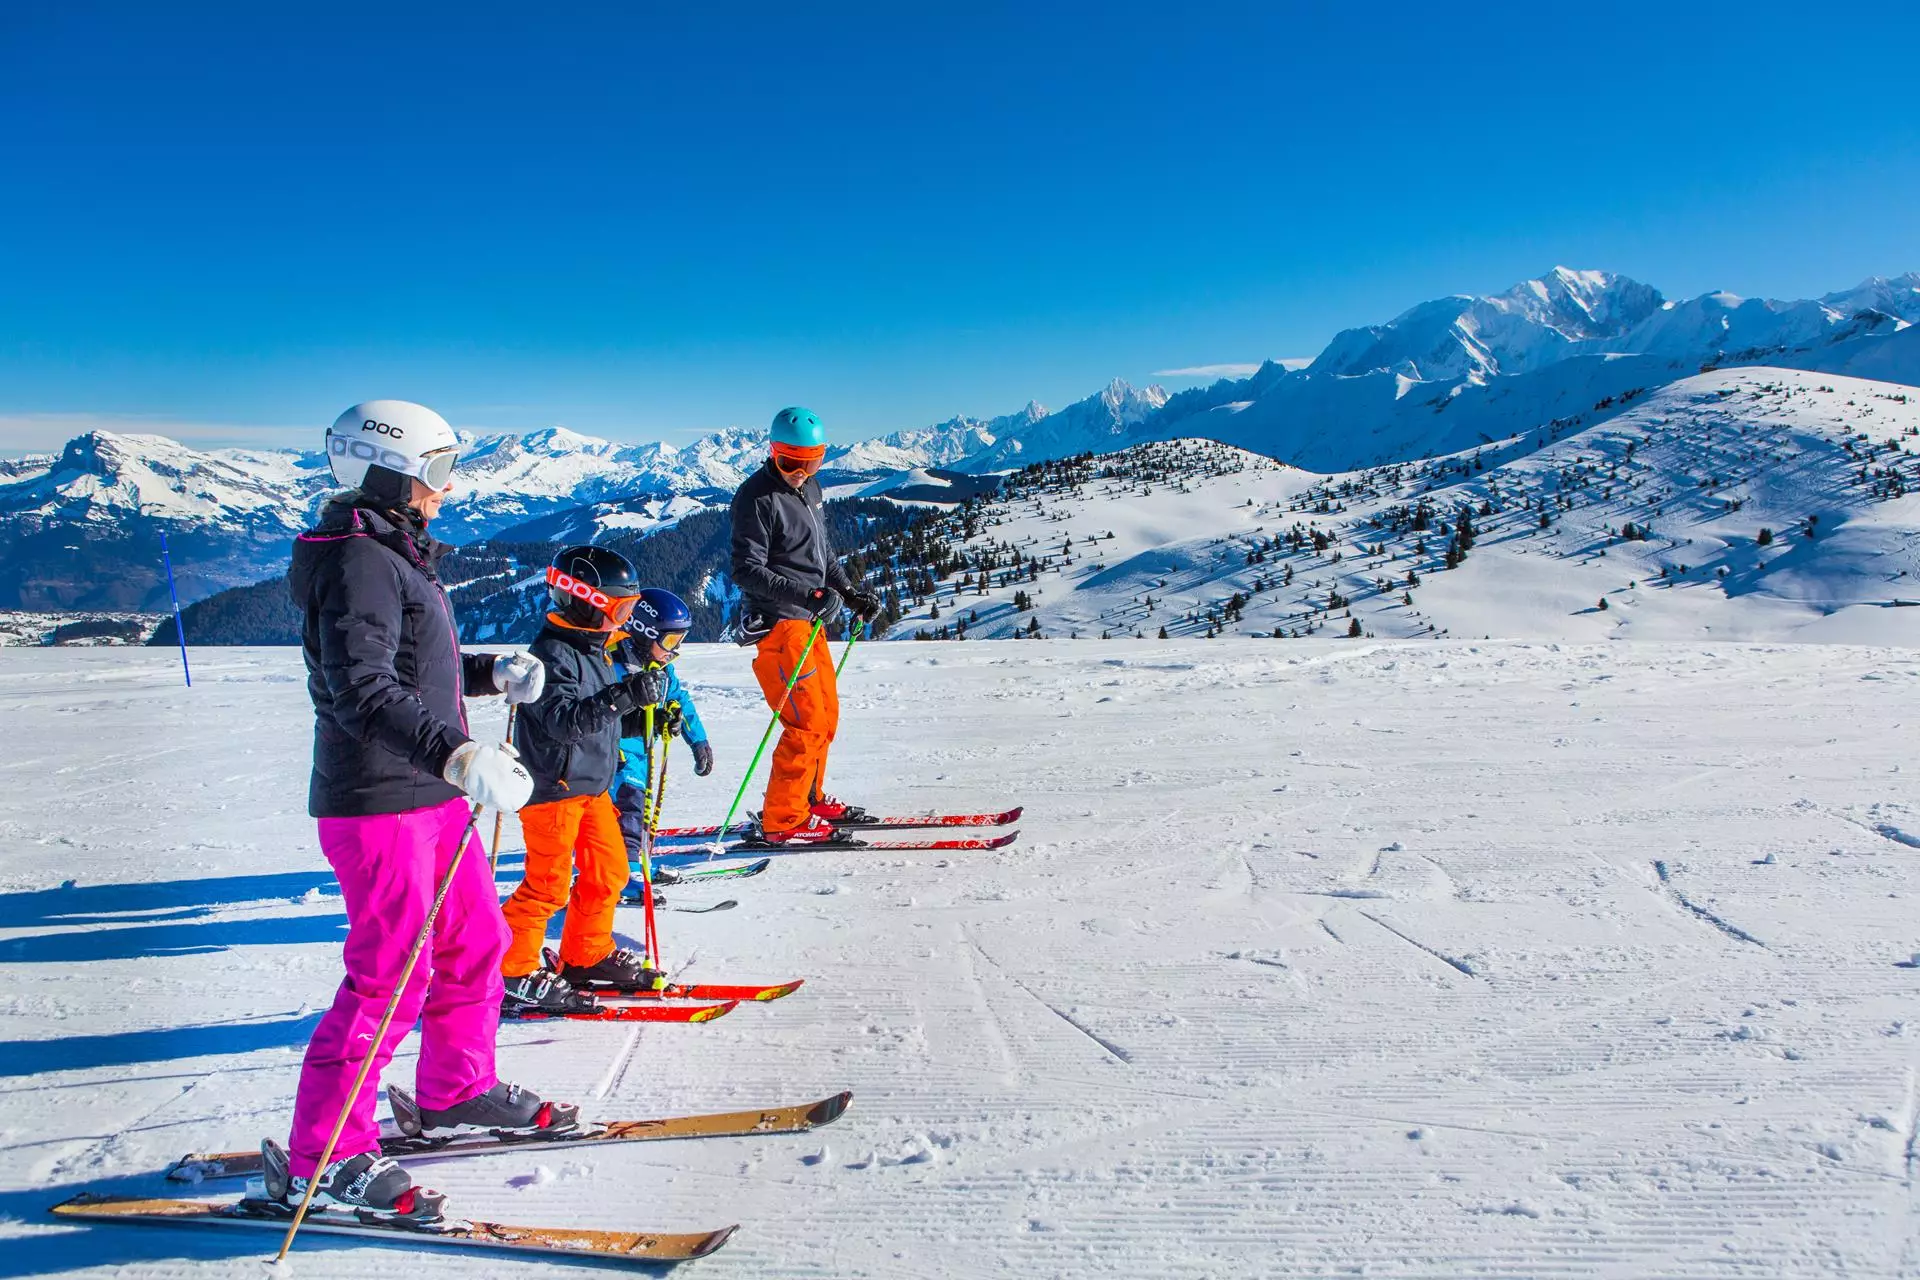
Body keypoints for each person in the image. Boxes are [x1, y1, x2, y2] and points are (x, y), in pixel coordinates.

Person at [278, 399, 576, 1224]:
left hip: (432, 791)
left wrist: (487, 674)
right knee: (392, 976)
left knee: (479, 940)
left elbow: (412, 666)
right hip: (379, 800)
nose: (447, 490)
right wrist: (457, 752)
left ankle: (455, 1089)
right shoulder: (358, 560)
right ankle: (324, 1160)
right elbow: (361, 688)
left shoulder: (390, 551)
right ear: (390, 472)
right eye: (438, 471)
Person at [503, 545, 671, 997]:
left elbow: (601, 721)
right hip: (553, 790)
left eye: (628, 611)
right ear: (586, 602)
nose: (622, 622)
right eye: (619, 610)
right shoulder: (551, 654)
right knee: (548, 886)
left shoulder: (596, 650)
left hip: (591, 787)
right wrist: (626, 697)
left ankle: (585, 954)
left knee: (609, 873)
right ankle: (511, 969)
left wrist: (645, 719)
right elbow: (562, 722)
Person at [728, 406, 883, 844]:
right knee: (805, 723)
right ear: (772, 453)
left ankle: (809, 798)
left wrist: (848, 593)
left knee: (826, 718)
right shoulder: (756, 498)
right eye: (788, 463)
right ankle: (784, 818)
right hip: (780, 624)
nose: (799, 473)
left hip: (810, 623)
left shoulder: (810, 489)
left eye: (809, 464)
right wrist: (808, 595)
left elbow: (822, 554)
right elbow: (745, 569)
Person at [609, 589, 714, 880]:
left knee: (639, 810)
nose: (674, 649)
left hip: (641, 754)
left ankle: (630, 863)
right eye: (669, 641)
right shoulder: (611, 666)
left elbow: (679, 700)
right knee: (629, 807)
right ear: (644, 632)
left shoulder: (662, 669)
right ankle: (627, 871)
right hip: (615, 754)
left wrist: (698, 741)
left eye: (680, 640)